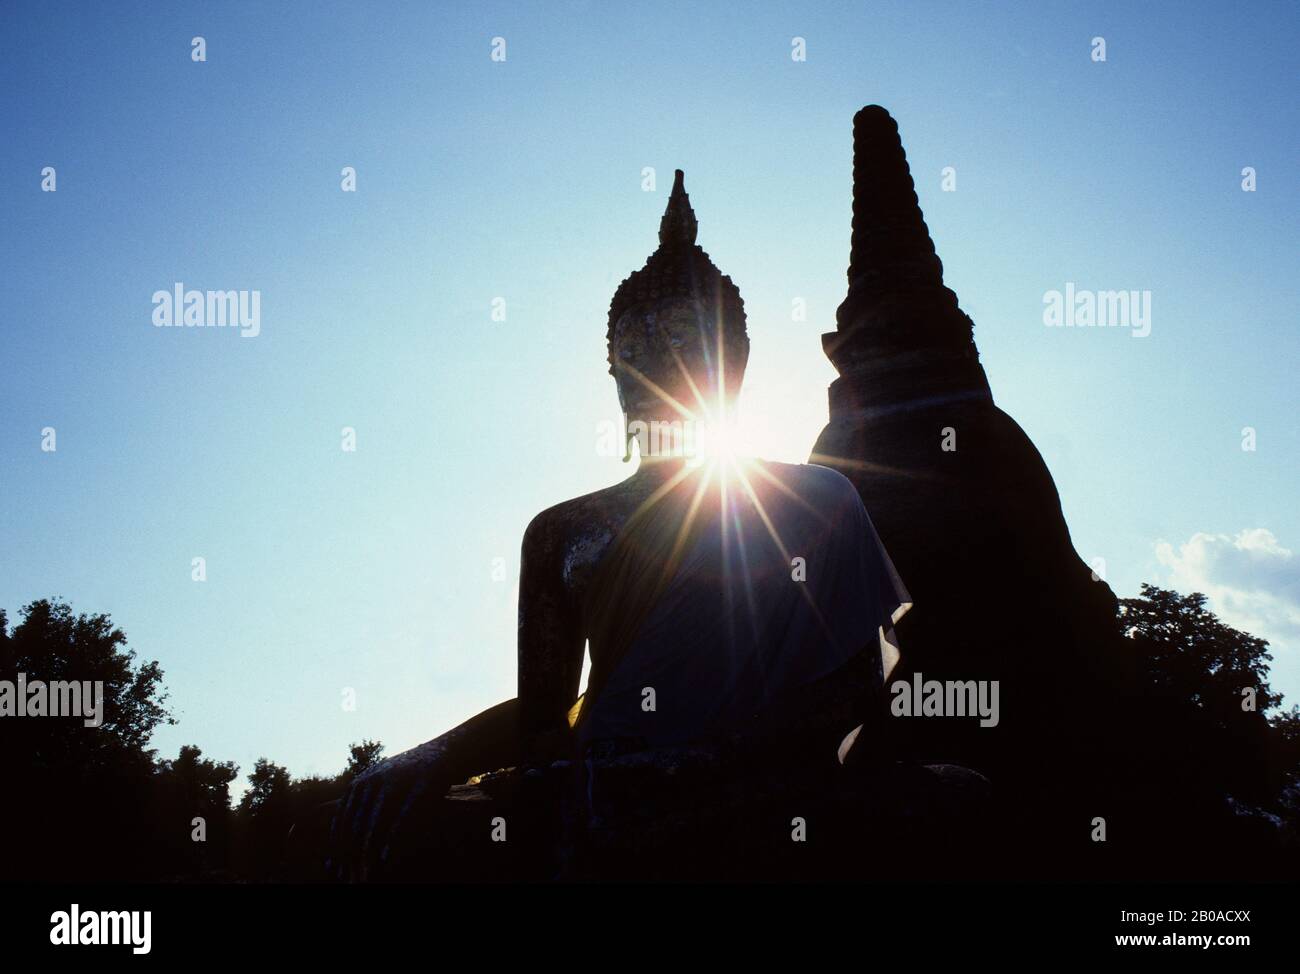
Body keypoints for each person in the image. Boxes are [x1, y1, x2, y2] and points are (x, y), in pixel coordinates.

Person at [329, 171, 909, 880]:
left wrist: (701, 763)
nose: (651, 369)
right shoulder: (561, 531)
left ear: (735, 365)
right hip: (604, 792)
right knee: (404, 828)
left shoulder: (816, 501)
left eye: (680, 342)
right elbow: (548, 723)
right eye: (631, 352)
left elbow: (855, 686)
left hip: (759, 788)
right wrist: (429, 756)